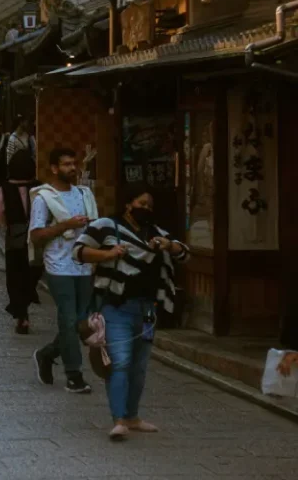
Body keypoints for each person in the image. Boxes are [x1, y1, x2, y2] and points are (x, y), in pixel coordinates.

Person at [74, 184, 189, 440]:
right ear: (128, 204)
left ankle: (133, 416)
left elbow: (184, 253)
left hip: (147, 309)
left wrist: (168, 245)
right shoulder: (106, 226)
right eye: (141, 204)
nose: (145, 209)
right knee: (121, 361)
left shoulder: (156, 233)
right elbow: (78, 251)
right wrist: (107, 254)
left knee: (139, 366)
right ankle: (119, 419)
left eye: (149, 206)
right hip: (116, 307)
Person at [30, 148, 98, 394]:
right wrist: (65, 225)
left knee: (81, 324)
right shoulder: (44, 198)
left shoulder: (84, 195)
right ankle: (74, 374)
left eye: (74, 163)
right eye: (66, 164)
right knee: (68, 319)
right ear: (54, 168)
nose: (72, 168)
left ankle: (47, 354)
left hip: (84, 264)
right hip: (59, 265)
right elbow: (36, 236)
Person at [0, 149, 36, 333]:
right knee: (31, 274)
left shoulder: (5, 188)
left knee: (15, 275)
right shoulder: (39, 188)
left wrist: (7, 227)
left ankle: (21, 314)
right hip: (36, 238)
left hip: (14, 237)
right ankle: (25, 304)